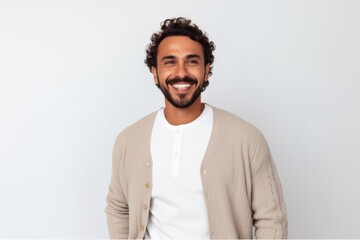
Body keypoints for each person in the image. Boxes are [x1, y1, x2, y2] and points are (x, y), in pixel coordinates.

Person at [106, 17, 288, 239]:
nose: (181, 72)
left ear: (206, 70)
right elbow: (119, 208)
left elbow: (272, 218)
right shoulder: (129, 141)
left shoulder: (246, 139)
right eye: (169, 62)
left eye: (191, 61)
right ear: (155, 72)